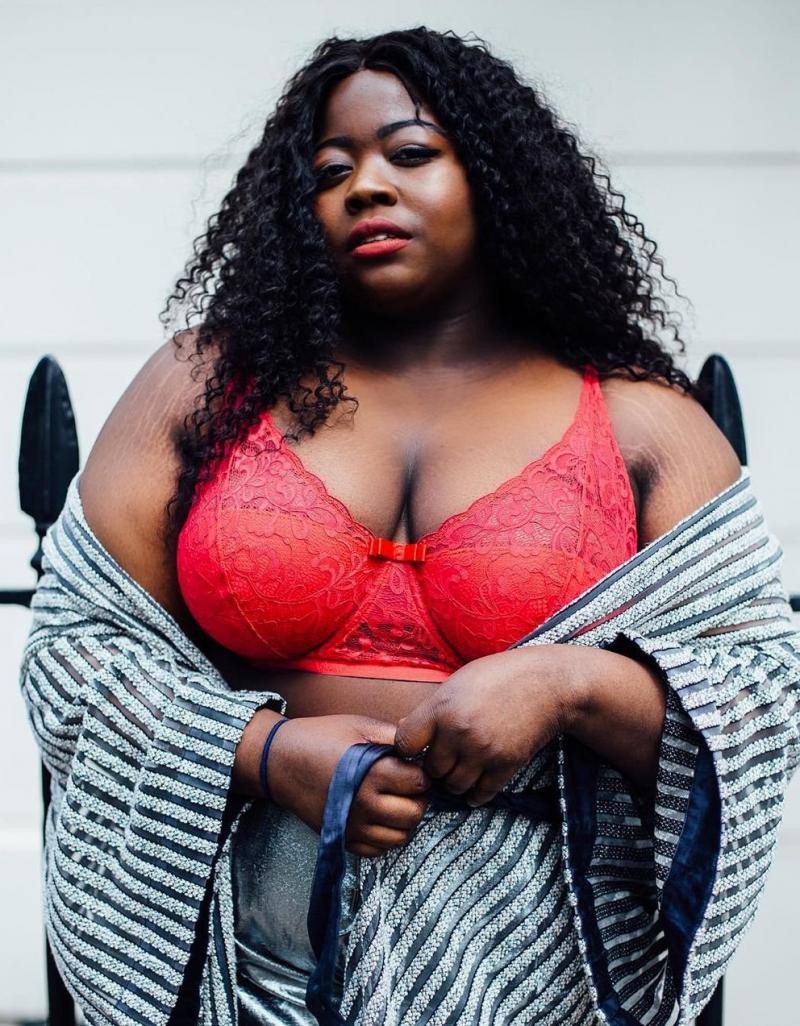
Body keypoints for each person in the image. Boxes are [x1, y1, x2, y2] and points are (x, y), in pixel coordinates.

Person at [22, 26, 800, 1026]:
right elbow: (75, 650)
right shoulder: (204, 386)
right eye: (330, 171)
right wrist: (263, 752)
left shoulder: (638, 419)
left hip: (529, 962)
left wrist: (565, 684)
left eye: (410, 152)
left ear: (499, 177)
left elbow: (759, 694)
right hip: (248, 944)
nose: (366, 187)